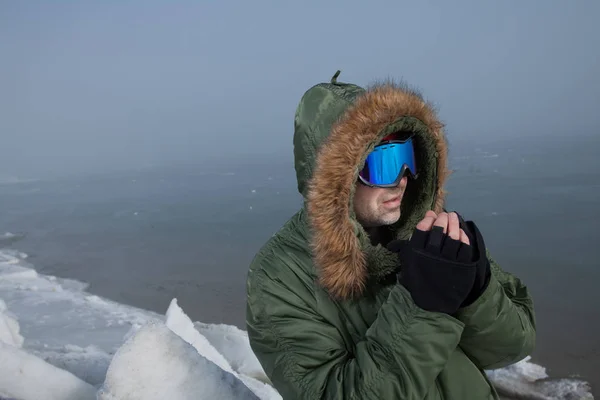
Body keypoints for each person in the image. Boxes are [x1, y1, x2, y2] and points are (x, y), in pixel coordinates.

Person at [245, 70, 536, 399]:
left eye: (406, 157)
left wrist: (476, 291)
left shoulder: (427, 235)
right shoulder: (279, 278)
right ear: (335, 179)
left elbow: (512, 348)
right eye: (382, 163)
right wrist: (423, 305)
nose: (402, 179)